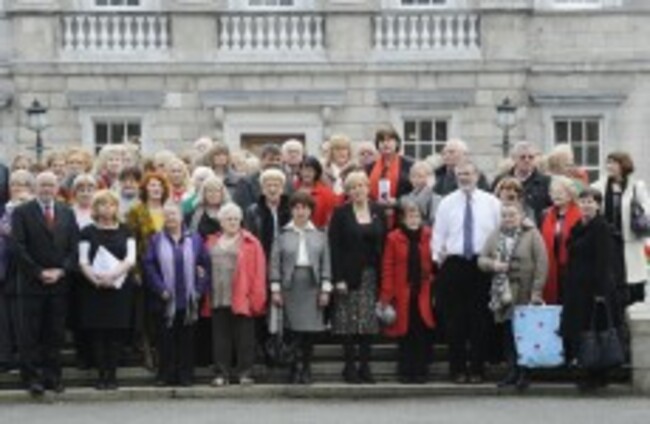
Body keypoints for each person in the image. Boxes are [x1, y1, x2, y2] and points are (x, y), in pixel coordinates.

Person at [11, 171, 80, 396]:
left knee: (55, 333)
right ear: (35, 187)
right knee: (31, 334)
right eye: (42, 185)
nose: (47, 189)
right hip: (31, 284)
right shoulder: (22, 212)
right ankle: (32, 378)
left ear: (57, 188)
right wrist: (38, 272)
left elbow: (74, 248)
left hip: (59, 284)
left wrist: (61, 271)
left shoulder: (67, 212)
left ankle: (53, 377)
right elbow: (18, 247)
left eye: (51, 185)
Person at [432, 160, 501, 384]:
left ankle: (478, 368)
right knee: (455, 321)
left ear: (477, 175)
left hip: (482, 264)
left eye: (468, 173)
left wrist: (497, 260)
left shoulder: (491, 202)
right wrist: (438, 259)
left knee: (480, 319)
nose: (464, 178)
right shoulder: (447, 203)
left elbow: (500, 232)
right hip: (455, 264)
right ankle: (458, 369)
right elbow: (438, 234)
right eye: (460, 174)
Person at [479, 202, 548, 390]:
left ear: (521, 215)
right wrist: (493, 265)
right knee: (508, 334)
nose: (508, 219)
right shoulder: (495, 234)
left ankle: (525, 373)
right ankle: (512, 371)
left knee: (524, 333)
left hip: (525, 290)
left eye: (512, 215)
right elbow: (482, 259)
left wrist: (537, 291)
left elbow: (542, 263)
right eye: (504, 215)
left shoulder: (532, 234)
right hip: (504, 291)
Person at [560, 188, 622, 390]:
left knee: (596, 331)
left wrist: (600, 292)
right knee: (584, 331)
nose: (586, 205)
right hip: (578, 289)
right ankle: (587, 371)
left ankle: (598, 375)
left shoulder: (601, 227)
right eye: (583, 201)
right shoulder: (579, 225)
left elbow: (604, 261)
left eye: (590, 202)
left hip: (595, 290)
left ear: (598, 205)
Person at [143, 202, 210, 387]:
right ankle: (165, 375)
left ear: (181, 217)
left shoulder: (195, 239)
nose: (170, 218)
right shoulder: (156, 239)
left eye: (174, 214)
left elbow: (205, 265)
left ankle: (186, 375)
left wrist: (199, 290)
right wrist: (160, 289)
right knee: (165, 339)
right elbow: (149, 266)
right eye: (167, 215)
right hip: (164, 299)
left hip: (189, 300)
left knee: (187, 340)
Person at [329, 171, 386, 384]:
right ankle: (350, 366)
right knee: (348, 323)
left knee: (368, 323)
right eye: (352, 187)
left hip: (371, 275)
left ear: (368, 188)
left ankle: (365, 366)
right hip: (348, 275)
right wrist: (338, 278)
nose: (357, 190)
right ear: (347, 192)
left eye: (361, 185)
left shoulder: (377, 211)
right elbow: (334, 248)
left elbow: (384, 242)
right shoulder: (340, 213)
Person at [270, 192, 332, 384]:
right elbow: (274, 263)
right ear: (291, 210)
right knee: (293, 331)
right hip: (290, 286)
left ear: (310, 211)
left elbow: (326, 263)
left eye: (304, 208)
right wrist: (276, 289)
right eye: (297, 208)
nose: (300, 212)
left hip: (312, 286)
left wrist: (325, 289)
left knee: (309, 332)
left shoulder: (320, 235)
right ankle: (294, 367)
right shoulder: (282, 235)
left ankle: (306, 367)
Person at [78, 190, 136, 390]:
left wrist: (112, 276)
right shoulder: (87, 231)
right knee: (98, 333)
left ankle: (112, 375)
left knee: (116, 333)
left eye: (111, 205)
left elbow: (130, 259)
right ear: (95, 208)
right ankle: (101, 375)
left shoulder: (126, 230)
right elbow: (83, 261)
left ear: (116, 208)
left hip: (119, 288)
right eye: (102, 204)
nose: (107, 208)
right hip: (94, 289)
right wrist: (96, 280)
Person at [204, 203, 267, 386]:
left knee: (244, 338)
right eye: (228, 219)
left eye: (236, 219)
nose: (232, 222)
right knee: (220, 338)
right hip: (218, 295)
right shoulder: (211, 241)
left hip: (243, 294)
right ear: (221, 222)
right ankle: (221, 374)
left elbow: (259, 271)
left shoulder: (251, 242)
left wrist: (257, 297)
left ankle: (244, 373)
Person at [379, 200, 435, 384]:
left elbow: (435, 261)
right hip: (401, 292)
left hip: (423, 292)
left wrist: (431, 278)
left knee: (421, 331)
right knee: (405, 332)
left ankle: (421, 370)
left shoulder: (429, 235)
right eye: (410, 215)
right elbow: (387, 266)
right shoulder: (393, 237)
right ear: (402, 218)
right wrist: (387, 293)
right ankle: (406, 371)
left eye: (416, 215)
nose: (413, 218)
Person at [593, 152, 650, 306]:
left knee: (632, 283)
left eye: (613, 162)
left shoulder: (637, 186)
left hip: (630, 240)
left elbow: (647, 210)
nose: (609, 166)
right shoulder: (598, 186)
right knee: (611, 283)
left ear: (623, 165)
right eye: (608, 162)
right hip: (607, 241)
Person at [126, 172, 170, 370]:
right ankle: (147, 351)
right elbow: (131, 242)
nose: (156, 188)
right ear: (145, 189)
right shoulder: (136, 211)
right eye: (152, 185)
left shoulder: (170, 209)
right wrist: (135, 270)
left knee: (163, 313)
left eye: (159, 185)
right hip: (144, 268)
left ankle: (162, 351)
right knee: (145, 314)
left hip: (168, 269)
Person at [0, 170, 34, 373]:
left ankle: (25, 359)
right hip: (5, 268)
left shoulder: (34, 210)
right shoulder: (3, 210)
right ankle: (6, 357)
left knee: (24, 318)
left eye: (23, 184)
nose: (18, 188)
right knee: (4, 318)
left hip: (28, 270)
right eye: (14, 184)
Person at [540, 176, 582, 304]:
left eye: (560, 192)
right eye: (553, 192)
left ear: (570, 194)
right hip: (551, 268)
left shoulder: (580, 214)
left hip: (573, 269)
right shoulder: (545, 215)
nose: (555, 195)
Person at [492, 141, 552, 225]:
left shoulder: (546, 182)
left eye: (531, 157)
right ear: (514, 158)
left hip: (536, 228)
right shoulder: (501, 181)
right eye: (522, 157)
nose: (527, 160)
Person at [366, 127, 414, 227]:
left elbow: (414, 193)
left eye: (389, 140)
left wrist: (397, 202)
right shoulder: (369, 167)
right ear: (377, 145)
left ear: (397, 143)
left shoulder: (409, 165)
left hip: (402, 216)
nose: (385, 144)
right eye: (382, 140)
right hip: (375, 216)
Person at [233, 144, 289, 211]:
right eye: (271, 159)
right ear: (261, 160)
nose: (275, 163)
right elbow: (245, 208)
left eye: (278, 160)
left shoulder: (287, 181)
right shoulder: (246, 183)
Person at [295, 156, 339, 229]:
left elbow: (331, 216)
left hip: (318, 231)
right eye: (304, 170)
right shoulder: (292, 188)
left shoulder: (326, 193)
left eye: (310, 170)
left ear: (316, 172)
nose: (306, 173)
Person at [399, 160, 441, 225]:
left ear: (430, 178)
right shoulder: (405, 198)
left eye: (420, 176)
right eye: (413, 176)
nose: (416, 180)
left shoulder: (437, 199)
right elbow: (415, 207)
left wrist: (428, 188)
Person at [323, 134, 357, 199]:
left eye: (344, 149)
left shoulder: (356, 170)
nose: (341, 152)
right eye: (337, 149)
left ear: (349, 151)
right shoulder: (323, 171)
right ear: (331, 152)